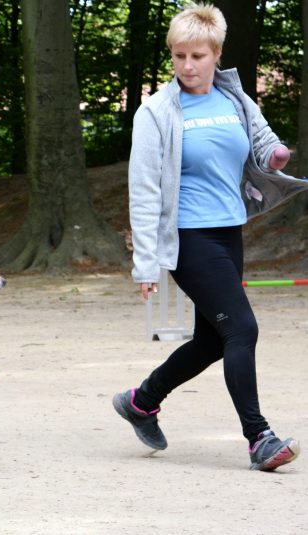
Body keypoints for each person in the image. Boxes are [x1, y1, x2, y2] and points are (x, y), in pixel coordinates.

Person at [113, 2, 308, 471]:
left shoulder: (235, 99)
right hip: (188, 239)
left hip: (228, 232)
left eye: (197, 55)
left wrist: (276, 155)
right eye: (179, 56)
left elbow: (262, 140)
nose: (187, 66)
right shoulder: (157, 112)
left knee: (213, 340)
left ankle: (141, 401)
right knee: (242, 328)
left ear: (216, 53)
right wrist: (146, 262)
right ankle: (259, 437)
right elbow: (142, 189)